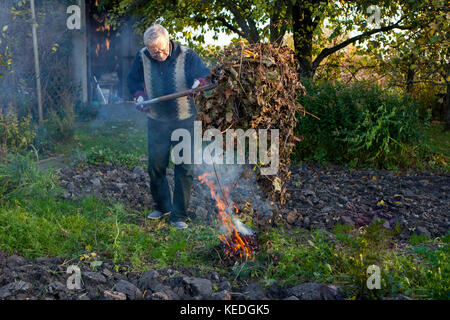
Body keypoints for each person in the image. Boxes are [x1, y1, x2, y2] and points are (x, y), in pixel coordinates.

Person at [127, 24, 210, 230]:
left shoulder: (187, 54)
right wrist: (139, 96)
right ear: (147, 48)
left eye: (162, 50)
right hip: (157, 120)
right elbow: (133, 81)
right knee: (156, 166)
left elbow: (205, 75)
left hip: (184, 120)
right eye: (154, 52)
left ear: (168, 41)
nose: (159, 55)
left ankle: (179, 215)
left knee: (184, 167)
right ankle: (163, 206)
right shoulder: (142, 57)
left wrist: (199, 83)